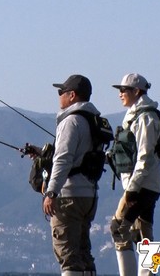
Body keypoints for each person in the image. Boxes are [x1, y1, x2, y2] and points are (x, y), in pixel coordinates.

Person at [42, 74, 101, 276]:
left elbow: (64, 159)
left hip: (69, 195)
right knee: (84, 253)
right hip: (89, 195)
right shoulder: (94, 121)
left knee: (68, 256)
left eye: (61, 92)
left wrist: (51, 192)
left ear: (72, 95)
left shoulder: (71, 121)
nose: (59, 97)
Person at [109, 73, 160, 276]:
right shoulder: (140, 115)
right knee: (143, 233)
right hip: (149, 185)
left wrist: (131, 189)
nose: (120, 94)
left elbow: (145, 157)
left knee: (118, 228)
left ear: (136, 91)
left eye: (123, 90)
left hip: (140, 187)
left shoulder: (145, 118)